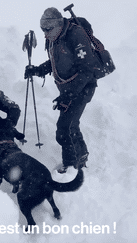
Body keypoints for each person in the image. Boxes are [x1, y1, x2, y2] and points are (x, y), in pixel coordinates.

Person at [24, 7, 98, 173]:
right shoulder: (54, 37)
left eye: (48, 29)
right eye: (43, 30)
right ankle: (81, 156)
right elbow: (55, 62)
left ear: (58, 25)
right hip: (69, 90)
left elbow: (87, 70)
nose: (45, 34)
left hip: (83, 87)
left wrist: (69, 95)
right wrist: (37, 70)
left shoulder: (76, 35)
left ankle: (71, 167)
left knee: (64, 130)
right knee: (71, 125)